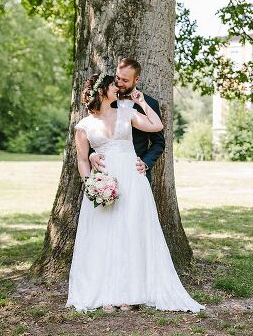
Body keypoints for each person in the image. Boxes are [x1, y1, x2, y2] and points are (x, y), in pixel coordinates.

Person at [66, 62, 205, 313]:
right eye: (114, 82)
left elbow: (157, 128)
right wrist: (91, 183)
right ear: (102, 92)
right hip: (104, 181)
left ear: (135, 80)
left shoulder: (127, 111)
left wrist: (141, 103)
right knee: (103, 237)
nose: (117, 86)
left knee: (131, 232)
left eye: (122, 81)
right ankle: (105, 294)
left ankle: (130, 292)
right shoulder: (84, 126)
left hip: (131, 177)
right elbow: (82, 159)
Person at [88, 58, 164, 184]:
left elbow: (159, 142)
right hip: (106, 174)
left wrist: (145, 163)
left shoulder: (150, 104)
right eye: (117, 78)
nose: (119, 83)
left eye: (125, 80)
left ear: (136, 80)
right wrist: (91, 155)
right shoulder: (106, 99)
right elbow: (90, 130)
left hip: (136, 173)